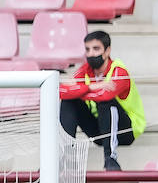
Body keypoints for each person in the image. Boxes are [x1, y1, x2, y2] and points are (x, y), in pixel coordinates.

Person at [59, 30, 146, 171]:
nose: (91, 54)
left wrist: (79, 91)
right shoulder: (85, 70)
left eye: (96, 49)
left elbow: (105, 96)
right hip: (99, 131)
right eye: (87, 50)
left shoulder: (119, 70)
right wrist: (92, 86)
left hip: (125, 132)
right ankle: (63, 157)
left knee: (106, 102)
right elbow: (62, 91)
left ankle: (110, 158)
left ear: (107, 51)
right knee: (69, 101)